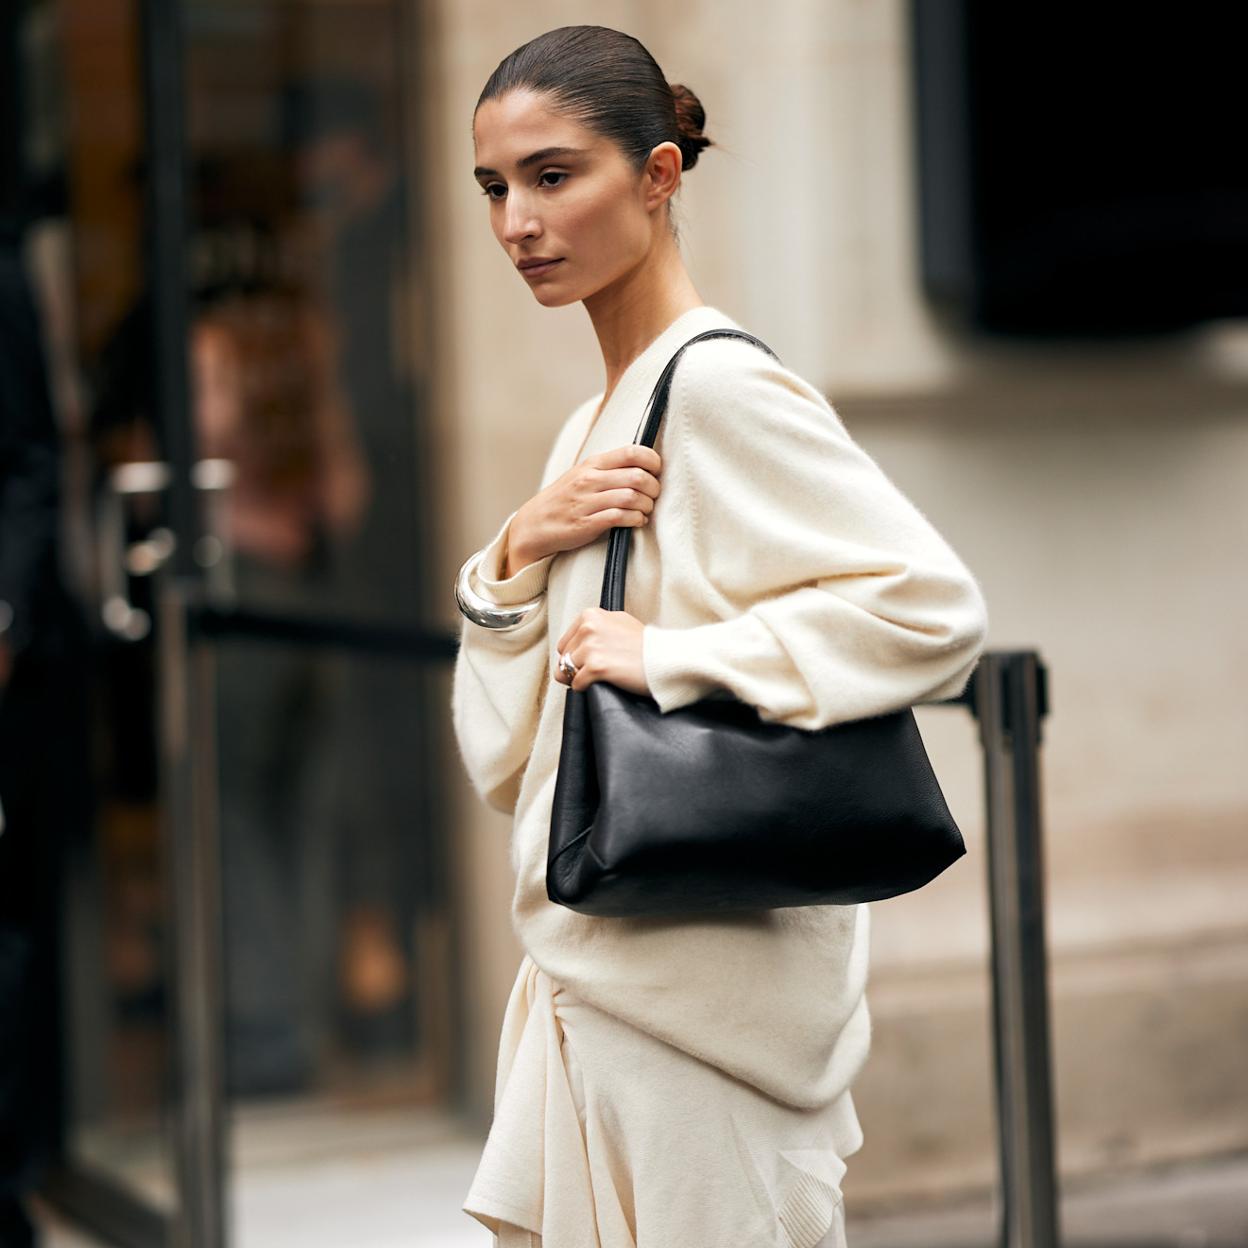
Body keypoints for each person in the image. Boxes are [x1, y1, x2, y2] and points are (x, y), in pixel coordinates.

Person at [451, 25, 990, 1248]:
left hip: (705, 1025)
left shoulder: (719, 389)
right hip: (594, 990)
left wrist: (678, 659)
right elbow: (507, 768)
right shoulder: (594, 422)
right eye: (494, 188)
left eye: (552, 176)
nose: (517, 223)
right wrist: (512, 561)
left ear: (657, 176)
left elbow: (932, 608)